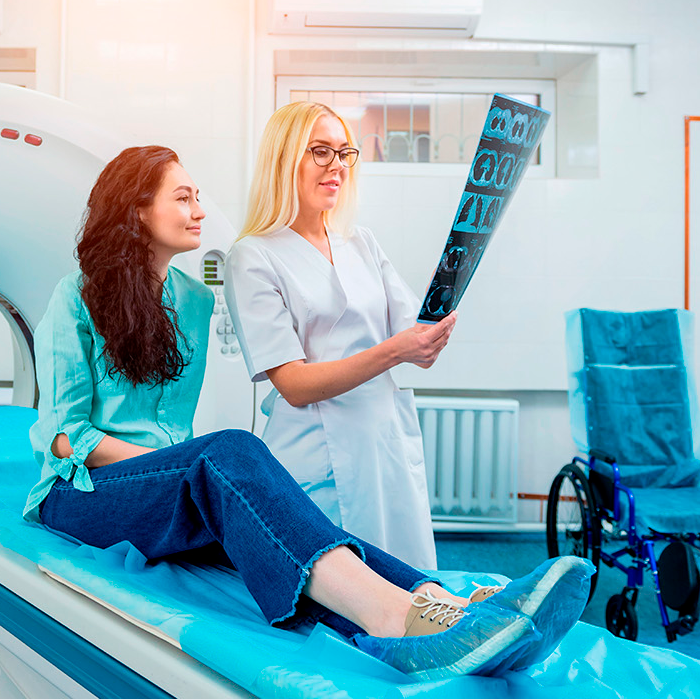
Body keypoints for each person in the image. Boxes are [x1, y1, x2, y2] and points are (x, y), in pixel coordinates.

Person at [23, 145, 592, 681]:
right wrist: (177, 469)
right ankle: (394, 621)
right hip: (82, 492)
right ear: (136, 210)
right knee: (229, 452)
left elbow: (175, 427)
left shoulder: (193, 301)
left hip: (164, 488)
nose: (199, 211)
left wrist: (181, 473)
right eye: (183, 197)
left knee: (302, 536)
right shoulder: (76, 295)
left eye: (196, 197)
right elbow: (65, 438)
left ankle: (453, 608)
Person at [225, 102, 454, 569]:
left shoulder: (360, 241)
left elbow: (414, 335)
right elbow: (293, 383)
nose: (337, 166)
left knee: (405, 573)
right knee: (340, 587)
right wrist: (396, 351)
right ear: (284, 159)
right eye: (320, 151)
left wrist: (431, 334)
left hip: (384, 439)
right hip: (316, 450)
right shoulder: (252, 256)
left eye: (344, 153)